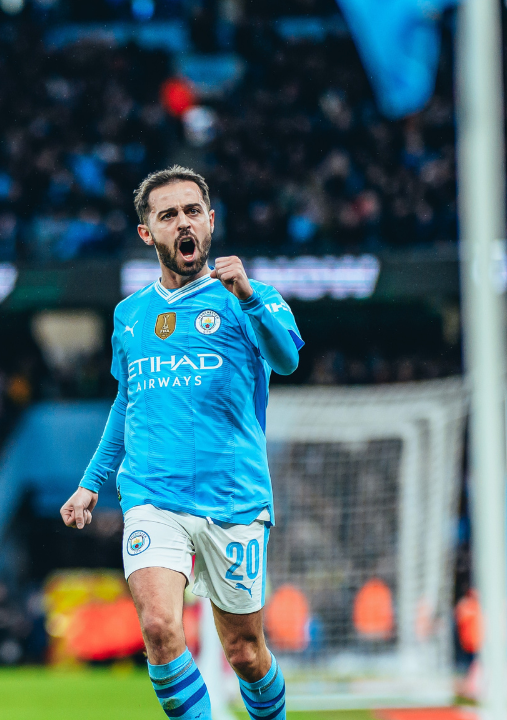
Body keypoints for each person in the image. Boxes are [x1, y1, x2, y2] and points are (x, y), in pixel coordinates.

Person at [60, 166, 302, 720]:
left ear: (210, 221)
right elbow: (129, 403)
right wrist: (91, 483)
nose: (183, 223)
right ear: (148, 233)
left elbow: (287, 359)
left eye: (192, 211)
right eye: (168, 215)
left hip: (234, 499)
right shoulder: (130, 314)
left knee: (244, 652)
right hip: (152, 496)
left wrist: (248, 298)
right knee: (159, 626)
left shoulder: (251, 297)